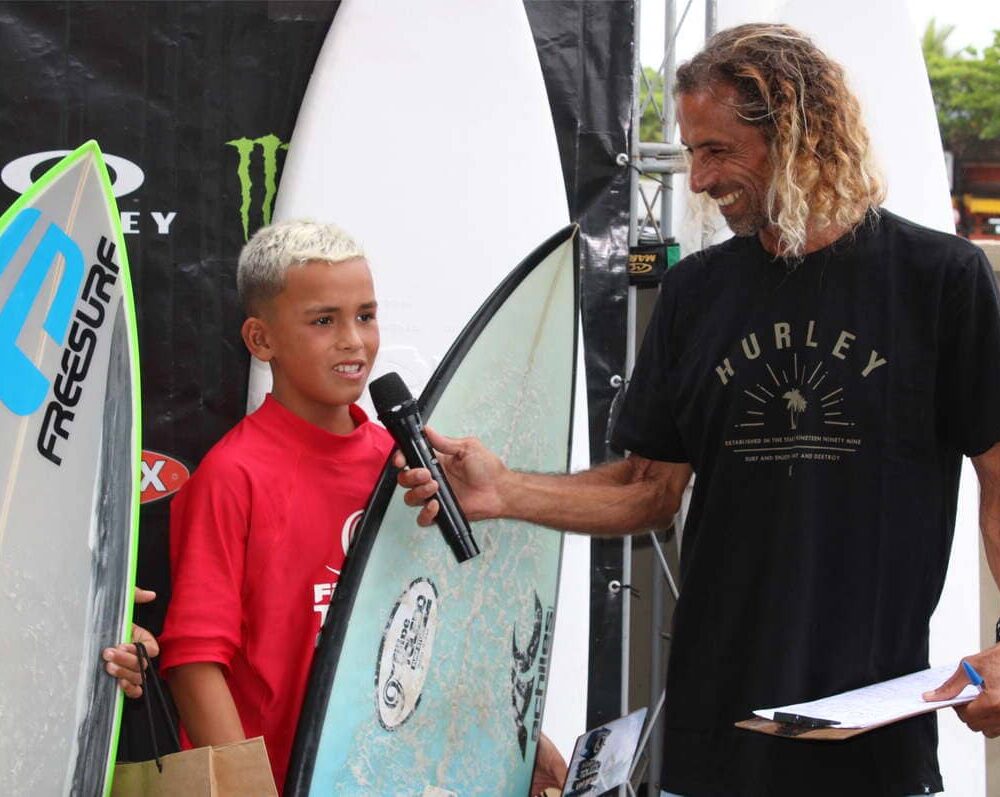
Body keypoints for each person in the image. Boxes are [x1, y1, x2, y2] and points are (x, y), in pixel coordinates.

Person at [396, 23, 1000, 797]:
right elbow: (649, 488)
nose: (699, 179)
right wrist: (504, 490)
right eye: (690, 152)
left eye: (715, 150)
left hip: (874, 732)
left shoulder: (938, 280)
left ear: (793, 131)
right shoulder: (695, 293)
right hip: (718, 739)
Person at [156, 220, 394, 792]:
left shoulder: (396, 460)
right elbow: (193, 662)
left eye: (365, 315)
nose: (354, 342)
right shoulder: (233, 474)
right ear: (261, 341)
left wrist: (520, 739)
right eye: (323, 321)